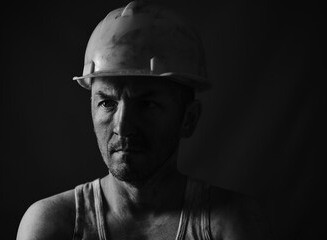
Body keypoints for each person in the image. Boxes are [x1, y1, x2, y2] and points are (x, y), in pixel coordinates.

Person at [17, 1, 272, 239]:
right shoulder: (54, 226)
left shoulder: (230, 225)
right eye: (107, 103)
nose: (122, 127)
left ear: (188, 118)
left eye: (147, 104)